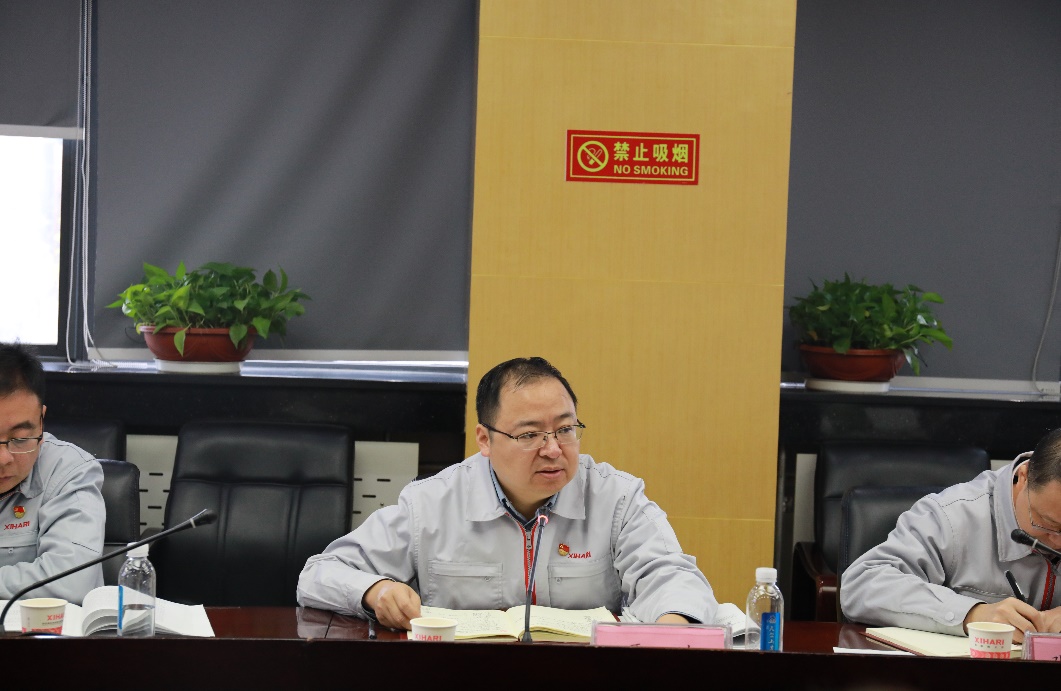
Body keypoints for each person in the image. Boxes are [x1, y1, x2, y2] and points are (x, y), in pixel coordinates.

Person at [297, 356, 717, 629]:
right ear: (485, 439)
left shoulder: (616, 498)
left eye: (565, 429)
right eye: (530, 434)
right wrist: (376, 591)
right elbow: (320, 573)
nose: (553, 449)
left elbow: (673, 576)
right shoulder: (432, 502)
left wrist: (671, 625)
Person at [841, 428, 1061, 641]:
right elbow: (861, 586)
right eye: (1048, 524)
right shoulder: (952, 516)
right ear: (1023, 477)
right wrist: (973, 614)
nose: (1059, 542)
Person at [0, 342, 106, 603]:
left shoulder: (70, 472)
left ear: (41, 421)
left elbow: (69, 583)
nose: (4, 459)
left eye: (20, 439)